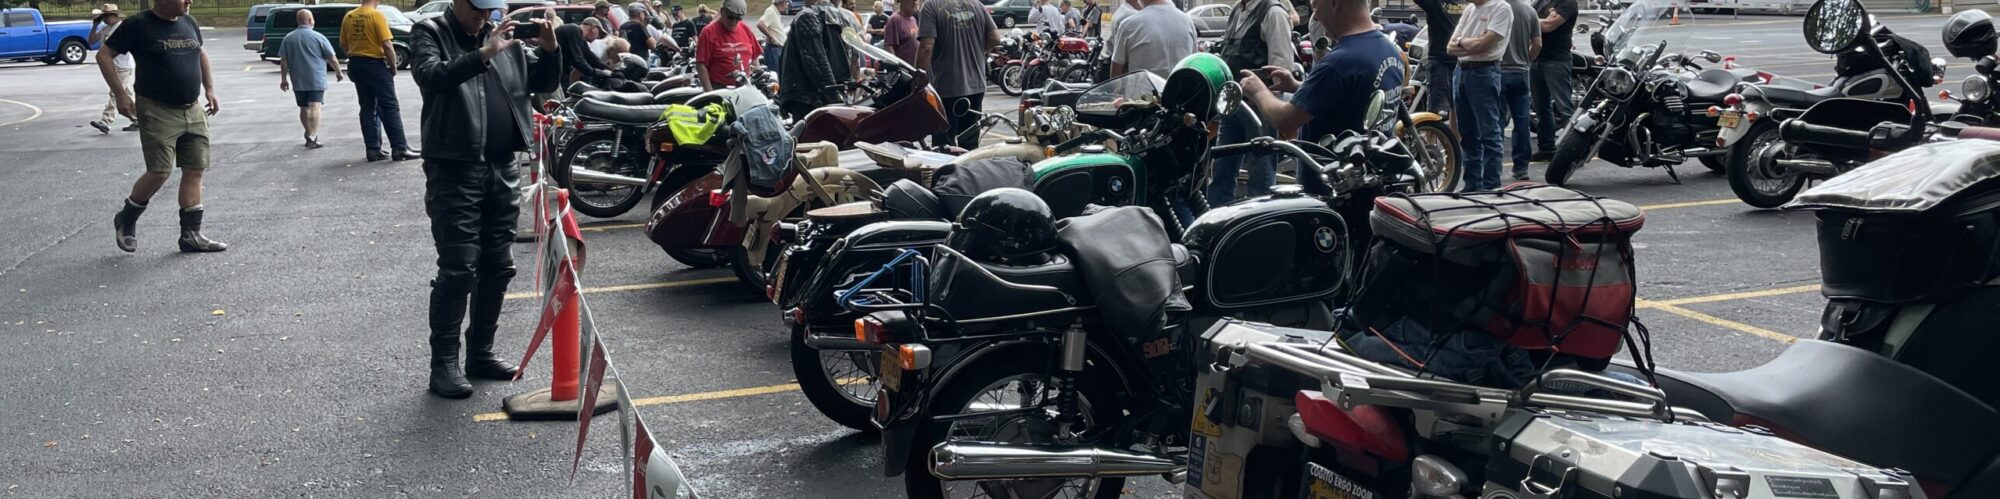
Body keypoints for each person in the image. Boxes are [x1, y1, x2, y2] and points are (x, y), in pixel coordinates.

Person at [408, 0, 562, 399]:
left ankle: (481, 352)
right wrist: (483, 54)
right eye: (477, 8)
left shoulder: (505, 37)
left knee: (498, 265)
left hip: (502, 164)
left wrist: (550, 49)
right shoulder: (432, 31)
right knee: (459, 267)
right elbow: (431, 76)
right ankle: (444, 363)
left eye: (489, 9)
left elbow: (542, 83)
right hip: (453, 166)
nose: (483, 16)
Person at [99, 0, 228, 253]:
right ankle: (126, 217)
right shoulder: (138, 24)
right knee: (159, 172)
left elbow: (201, 53)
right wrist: (121, 95)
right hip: (156, 109)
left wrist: (210, 89)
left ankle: (191, 235)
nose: (189, 1)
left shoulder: (189, 21)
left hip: (193, 108)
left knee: (195, 168)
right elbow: (104, 55)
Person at [1234, 0, 1401, 193]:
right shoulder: (1388, 48)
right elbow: (1351, 95)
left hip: (1333, 193)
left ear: (1335, 3)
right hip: (1373, 184)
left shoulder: (1339, 63)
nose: (1316, 18)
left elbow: (1285, 119)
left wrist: (1258, 91)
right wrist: (1298, 87)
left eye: (1316, 7)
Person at [1208, 0, 1294, 206]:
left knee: (1261, 174)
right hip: (1232, 105)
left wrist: (1264, 99)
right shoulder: (1237, 10)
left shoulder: (1273, 13)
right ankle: (1219, 219)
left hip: (1260, 109)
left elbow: (1282, 70)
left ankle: (1260, 220)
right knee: (1221, 170)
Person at [1446, 0, 1512, 191]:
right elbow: (1449, 48)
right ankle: (1472, 185)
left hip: (1484, 72)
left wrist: (1462, 41)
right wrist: (1469, 42)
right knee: (1467, 133)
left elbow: (1481, 45)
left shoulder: (1501, 8)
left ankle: (1491, 187)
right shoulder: (1469, 9)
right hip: (1461, 71)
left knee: (1488, 133)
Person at [916, 0, 1000, 149]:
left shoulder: (931, 5)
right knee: (969, 144)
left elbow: (926, 47)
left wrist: (917, 80)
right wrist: (979, 52)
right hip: (976, 86)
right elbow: (995, 38)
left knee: (944, 146)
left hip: (945, 87)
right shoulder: (977, 4)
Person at [341, 0, 417, 162]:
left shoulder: (349, 16)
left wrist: (354, 56)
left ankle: (373, 149)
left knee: (367, 106)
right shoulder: (376, 16)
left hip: (356, 64)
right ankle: (400, 147)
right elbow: (387, 45)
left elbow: (343, 44)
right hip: (375, 64)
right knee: (389, 106)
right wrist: (393, 66)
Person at [279, 9, 344, 149]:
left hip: (297, 78)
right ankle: (313, 136)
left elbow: (284, 61)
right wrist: (338, 72)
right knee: (315, 106)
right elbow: (331, 57)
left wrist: (284, 79)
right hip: (316, 77)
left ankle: (308, 133)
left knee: (303, 107)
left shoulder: (288, 38)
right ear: (309, 20)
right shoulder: (318, 37)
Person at [778, 0, 855, 119]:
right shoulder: (845, 18)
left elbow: (817, 63)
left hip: (809, 97)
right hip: (827, 95)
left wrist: (834, 97)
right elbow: (853, 59)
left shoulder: (807, 16)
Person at [1531, 0, 1577, 161]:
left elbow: (1548, 26)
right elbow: (1539, 23)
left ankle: (1574, 151)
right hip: (1536, 58)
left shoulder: (1568, 2)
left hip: (1557, 61)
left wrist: (1531, 19)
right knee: (1541, 109)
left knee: (1565, 109)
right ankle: (1547, 148)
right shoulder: (1540, 1)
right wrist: (1540, 20)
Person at [1500, 0, 1539, 180]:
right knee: (1522, 122)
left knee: (1496, 122)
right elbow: (1537, 44)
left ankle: (1494, 167)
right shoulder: (1529, 11)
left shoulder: (1495, 8)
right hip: (1521, 72)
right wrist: (1526, 61)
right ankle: (1521, 168)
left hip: (1498, 71)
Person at [1108, 0, 1193, 78]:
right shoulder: (1188, 22)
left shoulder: (1129, 25)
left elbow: (1116, 72)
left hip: (1142, 89)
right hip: (1180, 88)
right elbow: (1193, 61)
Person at [88, 4, 137, 134]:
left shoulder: (122, 28)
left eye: (107, 16)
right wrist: (95, 25)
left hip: (122, 66)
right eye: (103, 16)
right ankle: (138, 119)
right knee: (126, 94)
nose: (105, 19)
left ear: (116, 15)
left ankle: (106, 121)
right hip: (111, 66)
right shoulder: (105, 29)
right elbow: (91, 41)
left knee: (116, 93)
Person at [696, 0, 764, 90]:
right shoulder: (708, 32)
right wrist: (710, 93)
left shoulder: (745, 29)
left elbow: (754, 56)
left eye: (738, 18)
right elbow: (701, 65)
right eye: (731, 17)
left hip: (745, 87)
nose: (734, 21)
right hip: (720, 88)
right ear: (722, 11)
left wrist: (756, 80)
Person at [1414, 0, 1455, 115]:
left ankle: (1452, 129)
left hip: (1463, 64)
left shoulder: (1469, 3)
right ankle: (1431, 127)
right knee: (1435, 110)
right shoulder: (1434, 2)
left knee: (1458, 108)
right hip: (1440, 61)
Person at [558, 17, 617, 85]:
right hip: (552, 73)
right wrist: (598, 72)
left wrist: (612, 71)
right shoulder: (573, 30)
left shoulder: (580, 38)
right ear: (593, 28)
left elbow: (592, 59)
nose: (598, 38)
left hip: (558, 74)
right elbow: (578, 60)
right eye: (599, 33)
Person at [760, 0, 792, 72]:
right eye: (786, 2)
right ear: (781, 2)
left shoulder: (776, 12)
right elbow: (761, 24)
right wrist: (770, 36)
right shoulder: (771, 11)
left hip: (777, 49)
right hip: (773, 49)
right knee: (775, 74)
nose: (787, 5)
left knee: (779, 73)